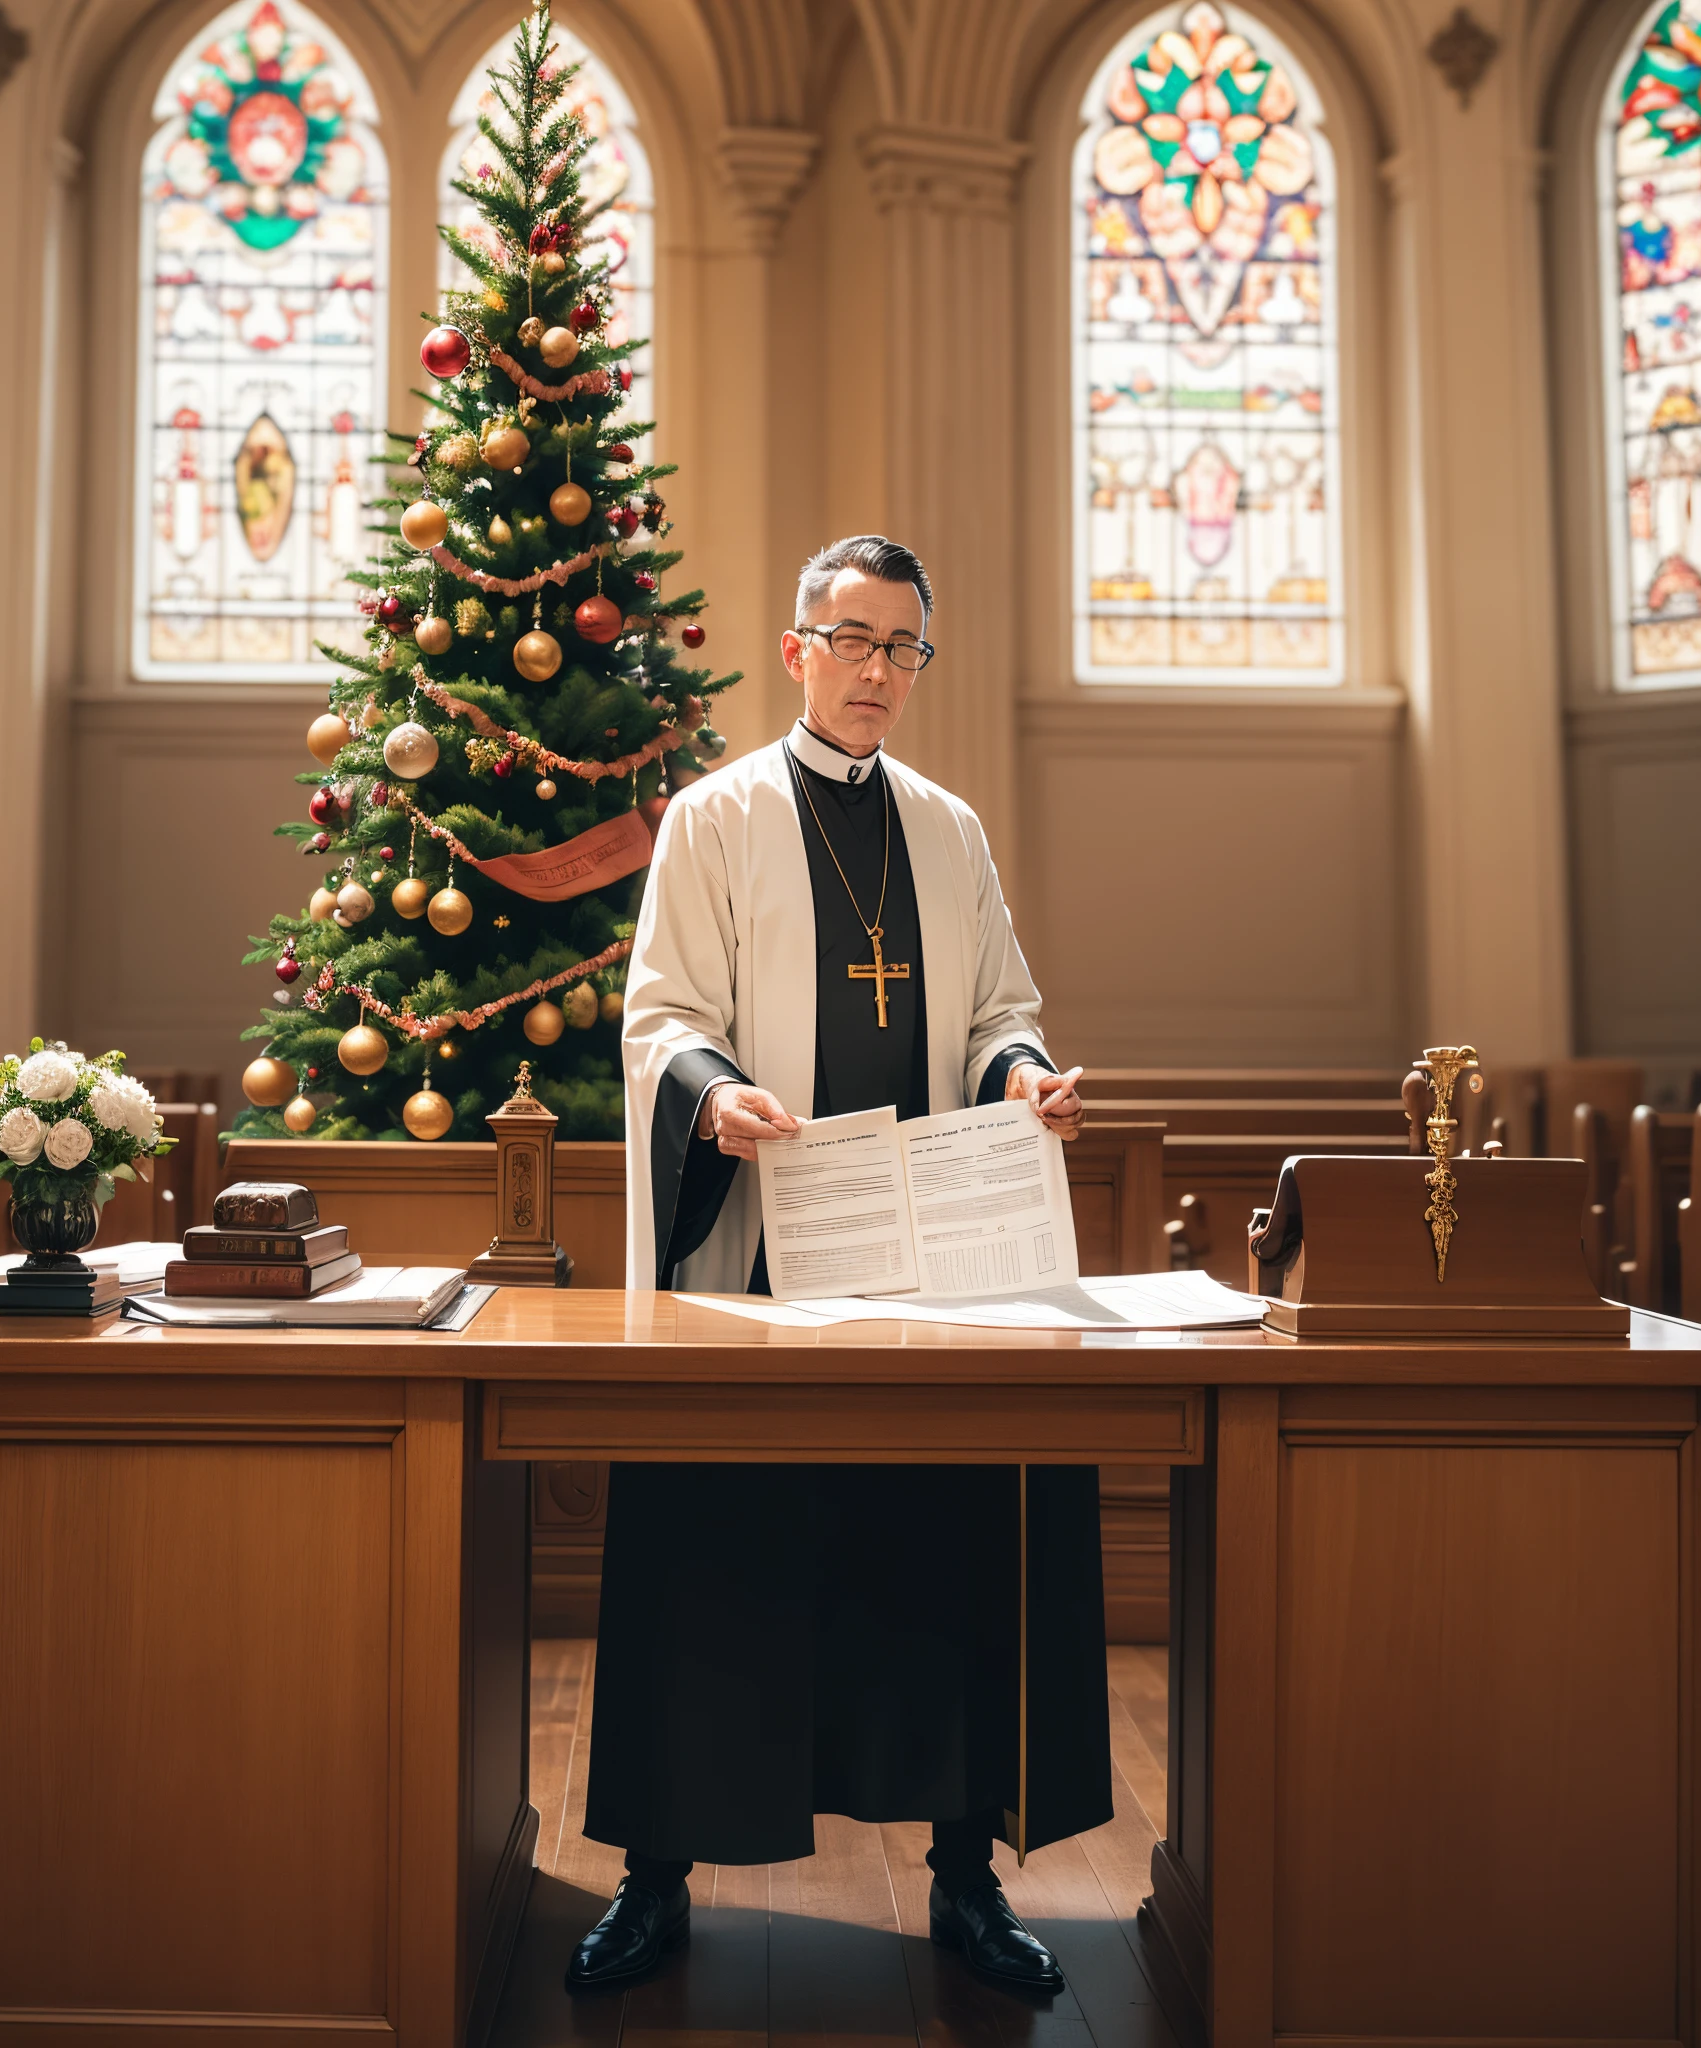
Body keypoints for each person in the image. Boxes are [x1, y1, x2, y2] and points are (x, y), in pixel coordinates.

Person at [567, 535, 1112, 1998]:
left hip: (930, 1267)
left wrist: (1020, 1078)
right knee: (711, 1559)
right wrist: (714, 1092)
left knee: (943, 1559)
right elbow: (658, 1012)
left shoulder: (949, 828)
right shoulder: (716, 816)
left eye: (904, 648)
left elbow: (1004, 1005)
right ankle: (657, 1880)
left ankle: (963, 1882)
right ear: (799, 646)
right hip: (761, 1260)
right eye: (854, 640)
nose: (879, 671)